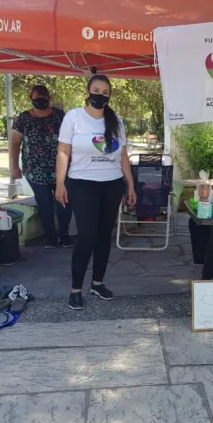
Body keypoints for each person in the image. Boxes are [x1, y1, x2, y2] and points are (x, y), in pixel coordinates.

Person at [56, 75, 137, 310]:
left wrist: (130, 185)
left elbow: (123, 156)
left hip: (112, 184)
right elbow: (63, 152)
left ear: (109, 96)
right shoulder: (74, 117)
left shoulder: (116, 121)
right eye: (96, 90)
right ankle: (76, 289)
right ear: (87, 92)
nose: (100, 95)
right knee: (87, 235)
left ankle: (98, 283)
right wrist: (60, 183)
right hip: (82, 184)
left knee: (103, 235)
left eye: (105, 92)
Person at [10, 85, 73, 249]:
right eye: (37, 98)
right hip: (35, 170)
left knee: (64, 201)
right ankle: (50, 237)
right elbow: (15, 143)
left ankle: (64, 235)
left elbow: (71, 139)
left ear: (49, 99)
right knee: (44, 204)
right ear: (31, 98)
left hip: (61, 168)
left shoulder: (60, 116)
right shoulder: (23, 118)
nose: (41, 101)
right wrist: (14, 166)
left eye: (44, 98)